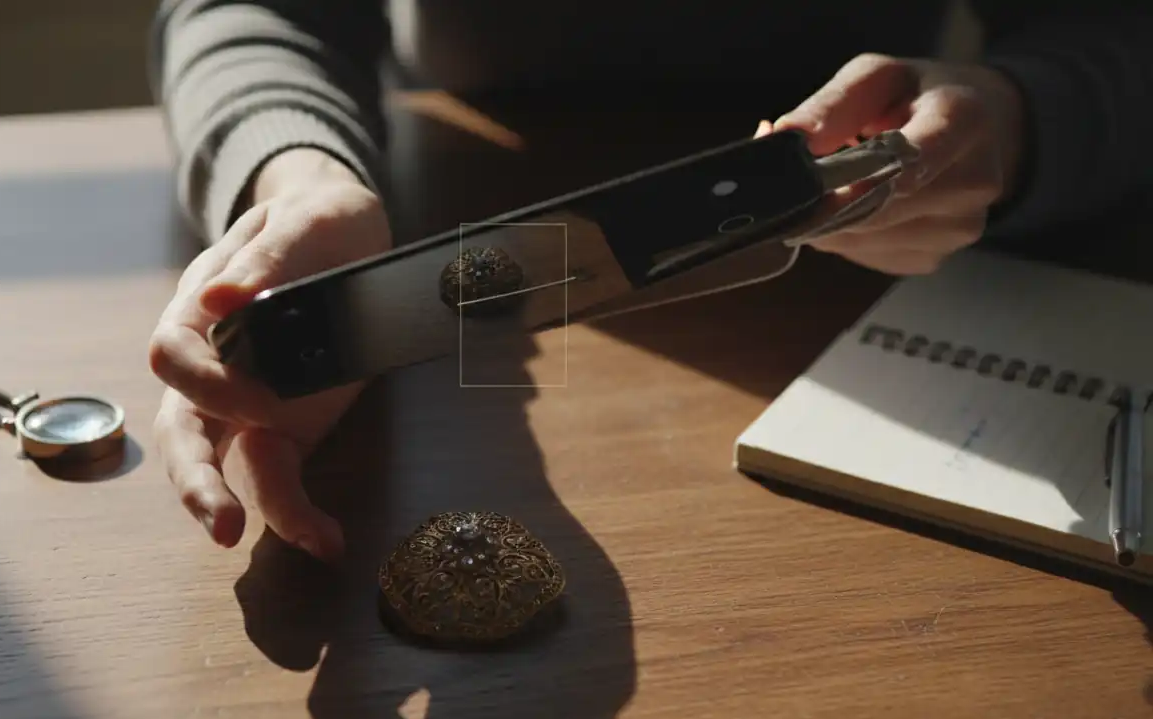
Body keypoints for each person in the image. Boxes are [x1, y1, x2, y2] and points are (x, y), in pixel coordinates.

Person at [145, 0, 1153, 560]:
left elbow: (1112, 32)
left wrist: (1021, 119)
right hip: (450, 248)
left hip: (875, 298)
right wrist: (298, 169)